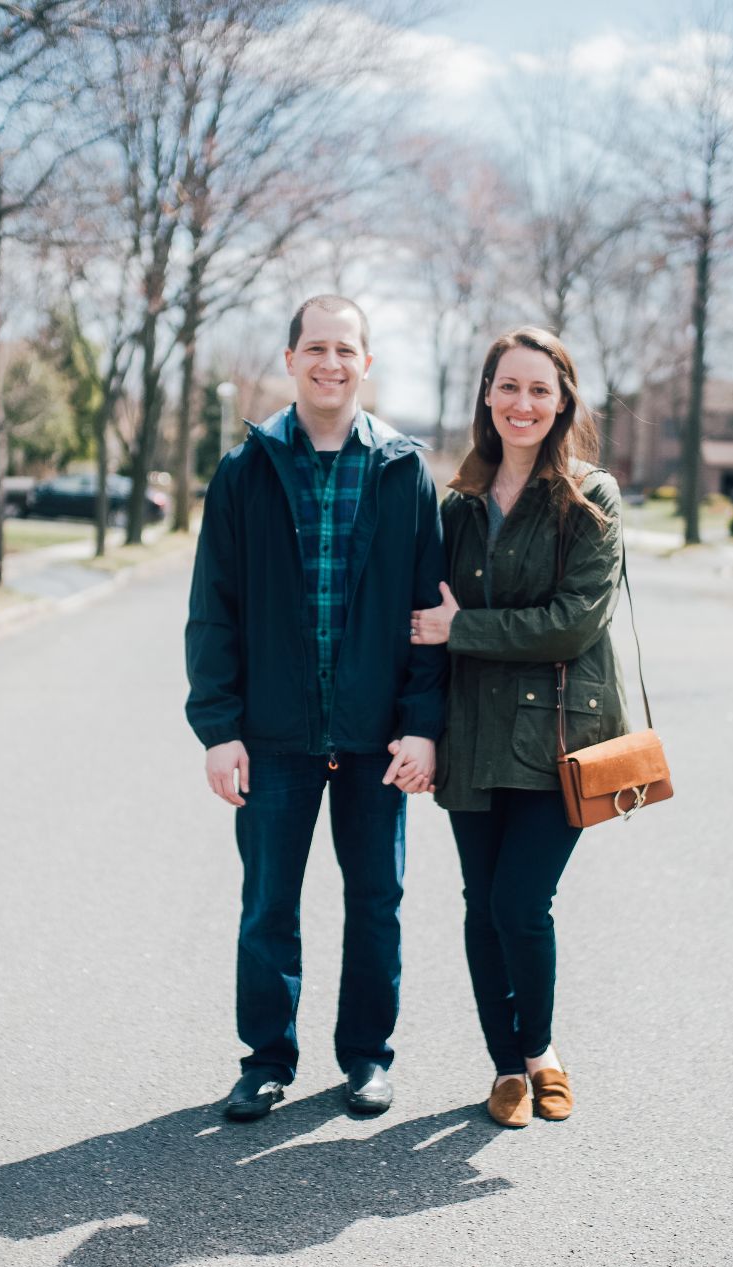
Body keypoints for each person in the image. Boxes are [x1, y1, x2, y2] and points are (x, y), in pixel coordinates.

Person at [186, 295, 446, 1122]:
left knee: (376, 902)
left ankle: (367, 1057)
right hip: (273, 735)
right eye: (316, 348)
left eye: (346, 349)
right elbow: (212, 609)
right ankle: (265, 1059)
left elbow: (428, 614)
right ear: (290, 359)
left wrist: (422, 722)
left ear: (366, 364)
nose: (331, 362)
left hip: (376, 739)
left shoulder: (404, 471)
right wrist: (219, 729)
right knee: (269, 904)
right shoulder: (244, 469)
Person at [408, 325, 626, 1130]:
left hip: (560, 738)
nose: (523, 403)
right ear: (487, 397)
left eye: (540, 389)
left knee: (521, 902)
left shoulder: (590, 496)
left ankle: (541, 1051)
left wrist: (465, 629)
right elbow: (423, 618)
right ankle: (505, 1067)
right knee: (480, 902)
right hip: (471, 736)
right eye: (509, 387)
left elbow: (573, 623)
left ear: (563, 400)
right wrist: (420, 727)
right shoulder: (458, 501)